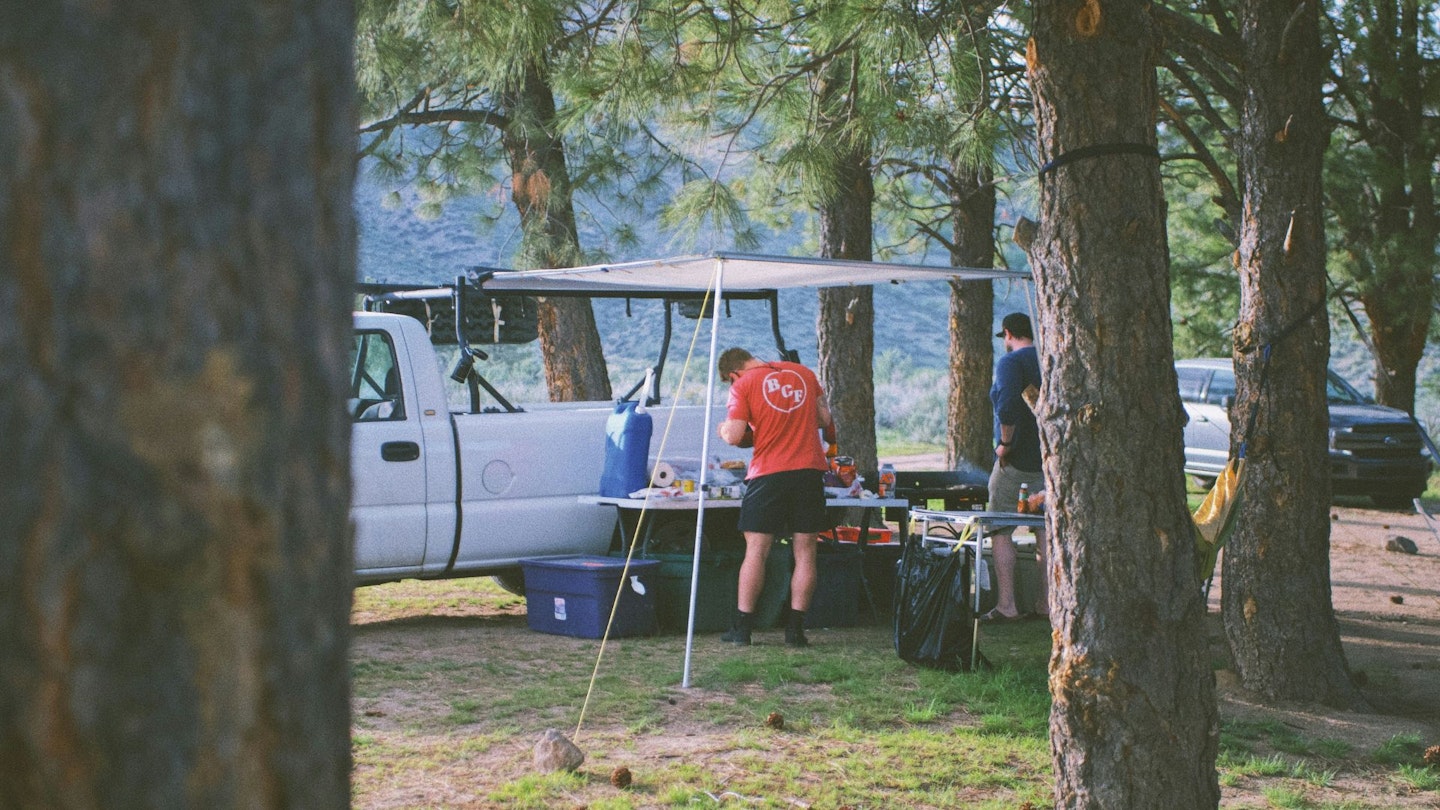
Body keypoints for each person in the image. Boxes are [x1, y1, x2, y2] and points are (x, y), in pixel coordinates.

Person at [716, 347, 836, 647]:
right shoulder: (805, 374)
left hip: (768, 472)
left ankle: (743, 629)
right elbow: (824, 419)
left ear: (733, 374)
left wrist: (722, 430)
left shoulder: (742, 386)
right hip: (809, 470)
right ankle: (795, 631)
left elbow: (734, 435)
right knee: (806, 551)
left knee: (756, 550)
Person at [985, 312, 1049, 622]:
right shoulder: (1049, 358)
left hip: (1017, 461)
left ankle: (1007, 605)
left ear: (1008, 334)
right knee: (1046, 533)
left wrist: (1005, 445)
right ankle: (1047, 603)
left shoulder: (1010, 363)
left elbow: (1007, 406)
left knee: (1000, 529)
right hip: (1048, 462)